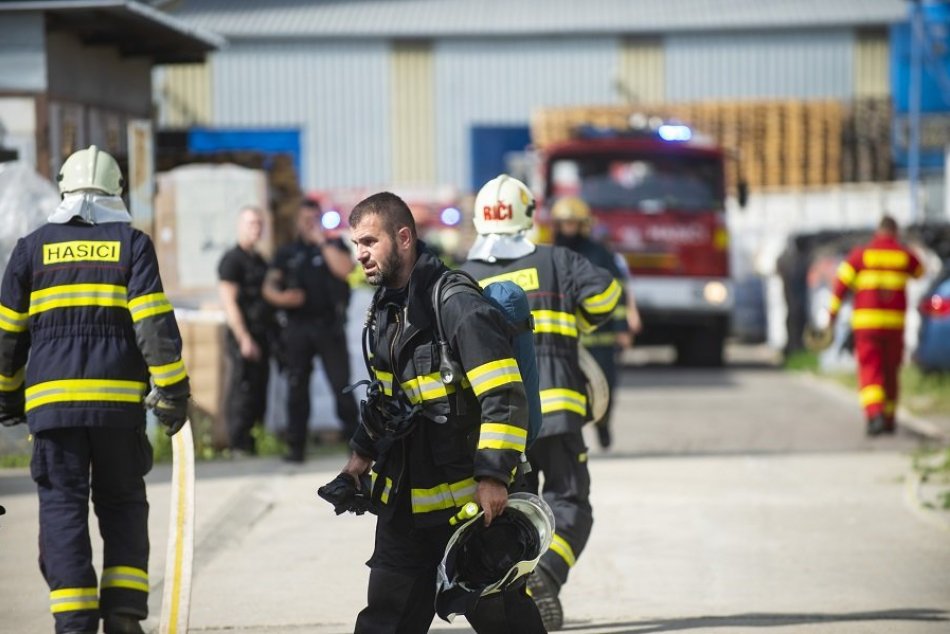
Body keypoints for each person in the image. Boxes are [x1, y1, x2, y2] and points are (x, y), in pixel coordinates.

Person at [328, 191, 546, 633]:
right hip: (408, 505)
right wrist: (358, 461)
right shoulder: (386, 310)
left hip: (472, 507)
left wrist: (493, 477)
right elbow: (386, 400)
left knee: (503, 621)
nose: (361, 254)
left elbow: (504, 395)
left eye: (370, 241)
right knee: (384, 621)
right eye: (356, 245)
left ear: (403, 237)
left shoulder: (458, 304)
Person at [0, 145, 190, 634]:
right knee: (124, 502)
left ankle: (75, 619)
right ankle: (124, 614)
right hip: (117, 409)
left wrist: (7, 396)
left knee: (62, 506)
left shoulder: (30, 248)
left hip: (51, 410)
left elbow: (6, 336)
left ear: (64, 188)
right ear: (116, 192)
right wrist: (172, 392)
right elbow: (153, 325)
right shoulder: (132, 244)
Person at [461, 175, 621, 631]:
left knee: (509, 509)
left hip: (499, 425)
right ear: (528, 216)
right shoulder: (558, 261)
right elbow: (606, 297)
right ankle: (547, 572)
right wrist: (579, 316)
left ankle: (516, 593)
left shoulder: (462, 278)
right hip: (560, 409)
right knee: (570, 501)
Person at [263, 198, 358, 462]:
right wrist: (282, 298)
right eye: (304, 220)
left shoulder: (333, 245)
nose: (308, 225)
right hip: (297, 328)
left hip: (330, 327)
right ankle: (296, 448)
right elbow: (270, 285)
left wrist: (321, 241)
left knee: (342, 387)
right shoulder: (287, 253)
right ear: (297, 222)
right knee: (297, 388)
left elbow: (344, 269)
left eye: (312, 220)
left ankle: (357, 447)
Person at [550, 196, 642, 450]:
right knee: (569, 393)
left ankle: (603, 424)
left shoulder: (599, 253)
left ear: (582, 225)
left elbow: (618, 290)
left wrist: (622, 329)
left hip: (600, 339)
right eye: (564, 223)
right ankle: (574, 437)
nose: (568, 228)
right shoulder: (550, 253)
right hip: (565, 338)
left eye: (573, 223)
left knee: (606, 389)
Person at [825, 215, 924, 436]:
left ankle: (874, 414)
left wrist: (831, 317)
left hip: (867, 325)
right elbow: (920, 272)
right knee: (891, 371)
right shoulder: (903, 255)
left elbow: (840, 286)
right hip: (894, 326)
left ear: (877, 232)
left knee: (871, 369)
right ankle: (889, 419)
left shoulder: (861, 255)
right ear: (895, 232)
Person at [218, 205, 274, 455]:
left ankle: (253, 442)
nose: (256, 229)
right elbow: (229, 302)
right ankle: (238, 444)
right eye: (251, 223)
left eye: (259, 224)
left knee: (260, 388)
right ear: (240, 226)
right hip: (243, 335)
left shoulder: (260, 260)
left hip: (262, 334)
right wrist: (244, 338)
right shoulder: (232, 260)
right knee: (242, 388)